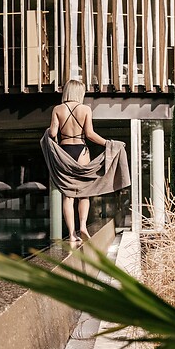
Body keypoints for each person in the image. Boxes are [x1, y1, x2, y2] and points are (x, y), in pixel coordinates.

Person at [48, 79, 107, 242]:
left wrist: (51, 129)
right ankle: (83, 227)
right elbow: (90, 134)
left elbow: (53, 133)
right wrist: (107, 143)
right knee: (84, 194)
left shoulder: (58, 109)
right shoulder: (85, 109)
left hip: (65, 152)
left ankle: (72, 234)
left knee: (68, 196)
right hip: (81, 151)